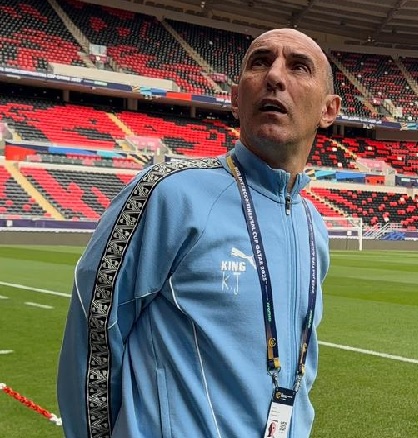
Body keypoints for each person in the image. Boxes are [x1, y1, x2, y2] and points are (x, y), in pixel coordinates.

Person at [57, 27, 341, 438]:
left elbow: (302, 362)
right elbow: (94, 330)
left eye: (299, 67)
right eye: (260, 62)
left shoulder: (313, 224)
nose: (275, 76)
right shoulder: (168, 192)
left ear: (328, 110)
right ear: (236, 99)